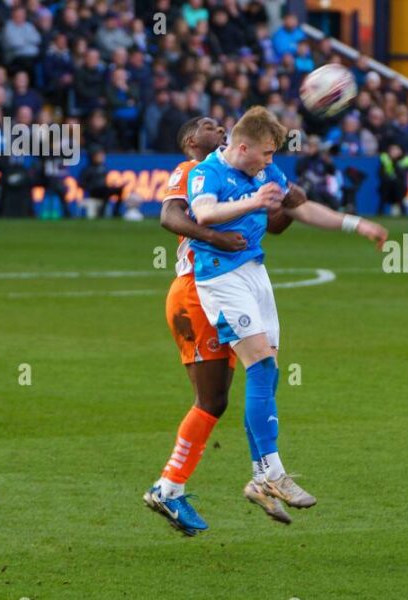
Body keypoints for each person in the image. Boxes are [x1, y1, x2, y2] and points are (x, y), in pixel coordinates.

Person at [159, 107, 387, 534]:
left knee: (246, 383)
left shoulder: (260, 171)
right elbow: (190, 215)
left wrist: (354, 224)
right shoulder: (198, 171)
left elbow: (288, 215)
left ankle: (219, 482)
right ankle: (263, 473)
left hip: (252, 274)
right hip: (210, 281)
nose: (218, 127)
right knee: (247, 375)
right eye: (265, 153)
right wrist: (239, 217)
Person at [144, 116, 297, 534]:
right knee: (218, 395)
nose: (220, 127)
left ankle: (180, 486)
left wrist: (289, 200)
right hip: (197, 289)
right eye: (210, 125)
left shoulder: (235, 174)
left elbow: (277, 224)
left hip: (220, 286)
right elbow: (170, 217)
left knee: (220, 397)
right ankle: (175, 486)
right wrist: (215, 238)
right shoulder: (191, 170)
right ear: (193, 139)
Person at [378, 141, 408, 216]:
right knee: (386, 185)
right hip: (387, 185)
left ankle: (403, 211)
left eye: (396, 149)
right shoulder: (385, 158)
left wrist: (395, 162)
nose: (394, 152)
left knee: (398, 185)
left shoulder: (406, 159)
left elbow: (402, 174)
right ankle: (380, 211)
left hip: (400, 186)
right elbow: (381, 173)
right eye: (392, 150)